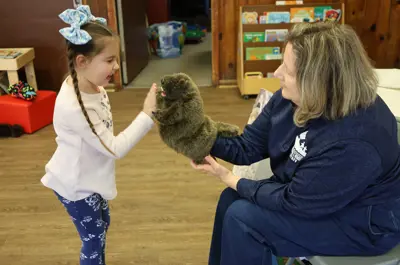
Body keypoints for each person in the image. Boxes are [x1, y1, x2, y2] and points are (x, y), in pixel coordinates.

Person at [191, 22, 400, 265]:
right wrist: (194, 133)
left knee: (243, 218)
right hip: (312, 194)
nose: (277, 73)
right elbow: (247, 146)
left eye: (288, 71)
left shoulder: (355, 141)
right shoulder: (293, 97)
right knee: (231, 200)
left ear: (317, 81)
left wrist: (233, 179)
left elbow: (295, 202)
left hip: (361, 223)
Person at [41, 5, 157, 265]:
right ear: (82, 62)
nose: (116, 66)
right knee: (93, 242)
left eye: (116, 59)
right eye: (109, 60)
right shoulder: (75, 106)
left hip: (90, 178)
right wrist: (147, 114)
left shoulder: (90, 84)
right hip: (77, 186)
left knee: (103, 226)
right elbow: (115, 148)